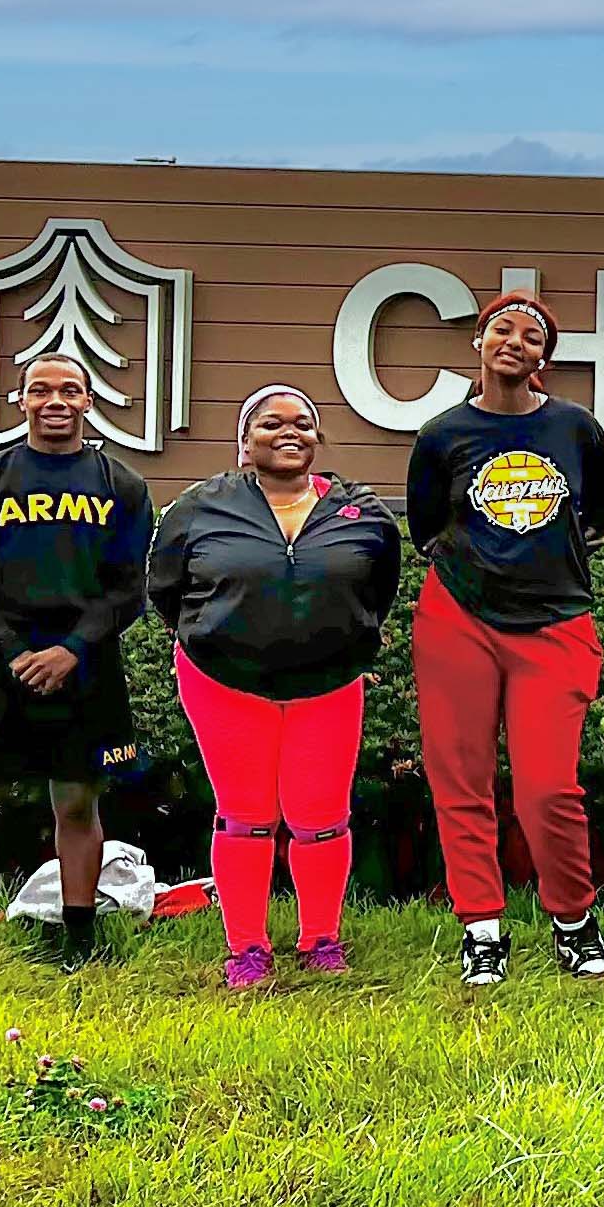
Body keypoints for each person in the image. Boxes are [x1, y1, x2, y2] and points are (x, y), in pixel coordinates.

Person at [0, 352, 154, 979]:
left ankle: (79, 941)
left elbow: (129, 588)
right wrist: (13, 652)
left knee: (76, 806)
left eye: (70, 390)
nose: (56, 401)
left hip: (86, 666)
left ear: (89, 402)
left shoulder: (121, 485)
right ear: (21, 402)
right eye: (40, 390)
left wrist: (73, 648)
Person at [149, 384, 402, 989]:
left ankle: (320, 938)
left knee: (321, 817)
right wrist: (215, 633)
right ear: (244, 443)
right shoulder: (198, 508)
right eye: (269, 423)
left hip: (328, 683)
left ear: (318, 439)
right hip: (223, 680)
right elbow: (165, 588)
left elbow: (379, 587)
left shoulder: (361, 510)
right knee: (246, 816)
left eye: (303, 423)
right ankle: (247, 948)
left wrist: (344, 637)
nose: (288, 432)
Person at [410, 291, 604, 986]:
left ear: (544, 360)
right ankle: (482, 930)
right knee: (460, 776)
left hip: (556, 621)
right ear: (478, 341)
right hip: (457, 619)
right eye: (503, 329)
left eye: (532, 337)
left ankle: (573, 921)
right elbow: (425, 527)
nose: (515, 341)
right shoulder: (442, 435)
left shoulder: (575, 428)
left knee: (547, 788)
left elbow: (595, 517)